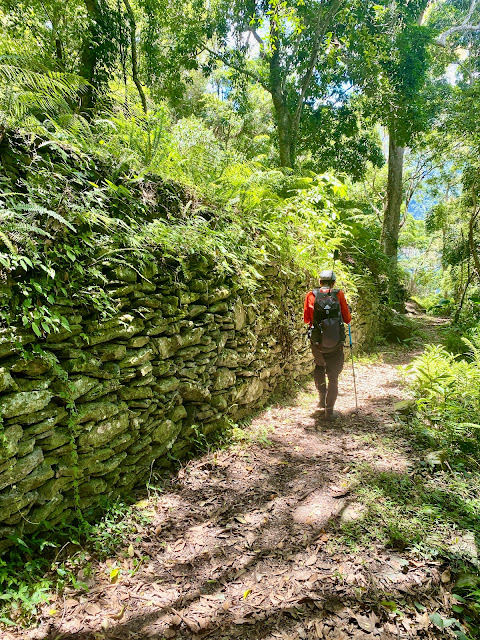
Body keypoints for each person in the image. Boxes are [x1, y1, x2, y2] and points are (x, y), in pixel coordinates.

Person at [303, 270, 351, 420]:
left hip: (317, 342)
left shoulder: (311, 295)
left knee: (319, 366)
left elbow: (306, 320)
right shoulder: (339, 294)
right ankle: (329, 411)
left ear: (320, 282)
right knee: (333, 376)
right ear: (334, 283)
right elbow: (347, 319)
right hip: (335, 341)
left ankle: (321, 401)